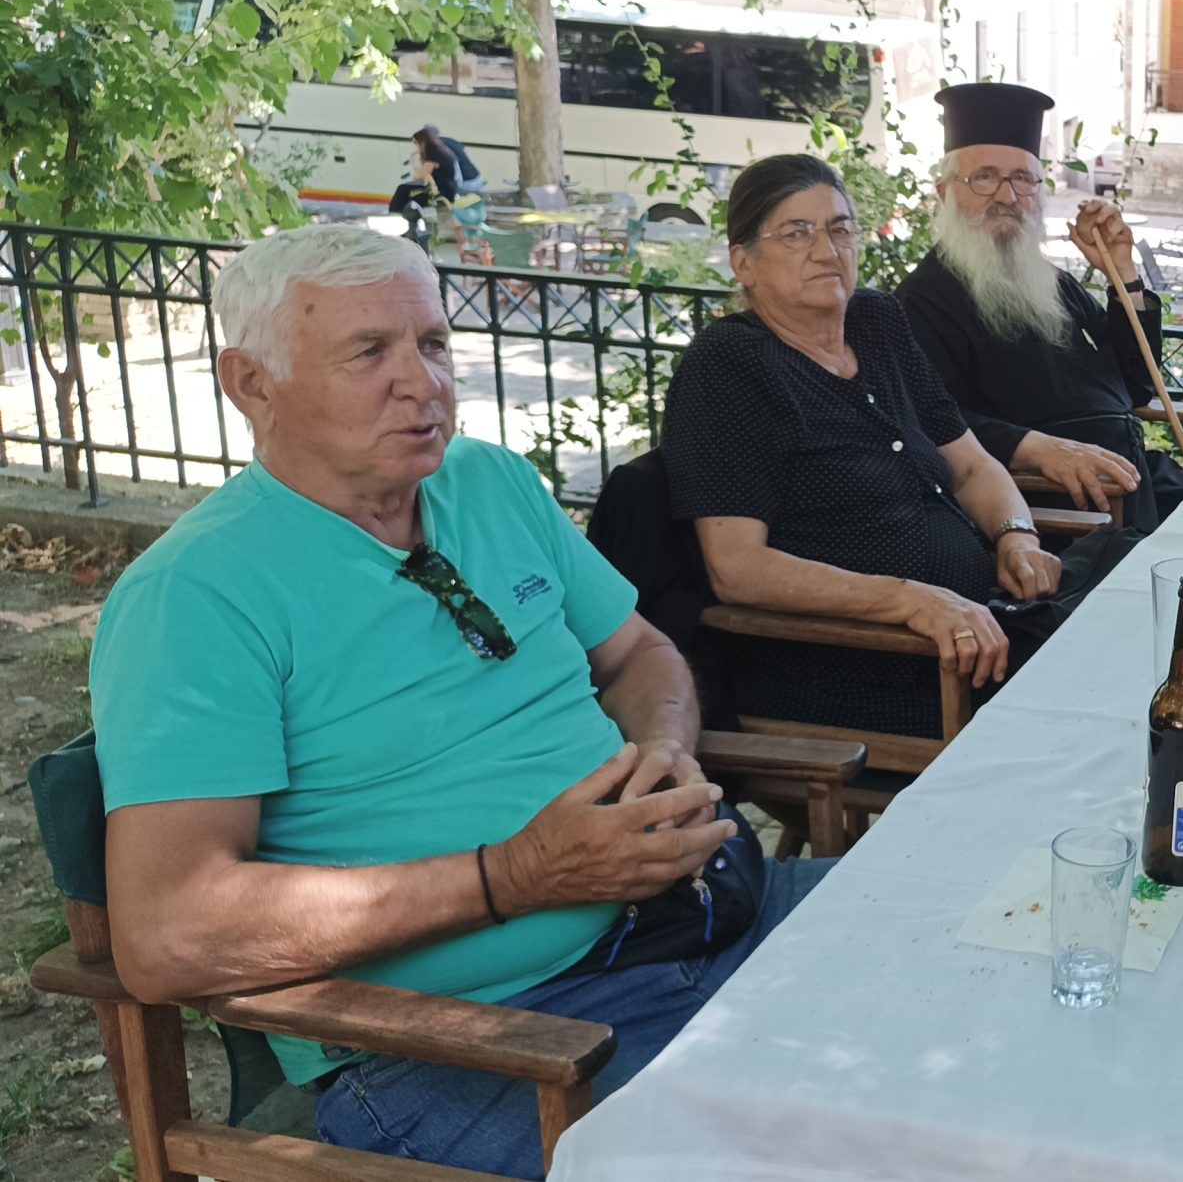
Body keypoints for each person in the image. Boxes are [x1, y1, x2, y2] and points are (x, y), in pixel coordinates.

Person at [86, 225, 828, 1179]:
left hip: (699, 912)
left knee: (978, 957)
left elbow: (640, 654)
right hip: (483, 1044)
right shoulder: (197, 596)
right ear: (250, 383)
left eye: (433, 343)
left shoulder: (490, 483)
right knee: (849, 1147)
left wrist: (665, 747)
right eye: (369, 352)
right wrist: (515, 876)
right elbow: (168, 935)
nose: (424, 383)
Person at [659, 152, 1064, 737]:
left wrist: (1016, 537)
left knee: (1139, 617)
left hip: (981, 624)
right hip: (869, 665)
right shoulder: (728, 368)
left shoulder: (875, 322)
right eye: (797, 233)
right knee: (1103, 693)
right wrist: (913, 602)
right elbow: (737, 569)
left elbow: (972, 467)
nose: (827, 251)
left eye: (840, 229)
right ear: (743, 263)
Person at [897, 81, 1183, 530]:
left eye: (1022, 179)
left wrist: (1122, 273)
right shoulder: (920, 301)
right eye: (984, 177)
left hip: (1132, 477)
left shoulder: (1050, 283)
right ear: (944, 192)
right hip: (1052, 503)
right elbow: (930, 420)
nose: (1006, 197)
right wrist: (1035, 447)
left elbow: (1138, 382)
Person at [387, 130, 459, 220]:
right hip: (444, 189)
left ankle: (394, 214)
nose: (415, 145)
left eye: (415, 143)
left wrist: (415, 158)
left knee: (403, 190)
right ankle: (397, 214)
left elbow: (419, 176)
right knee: (405, 189)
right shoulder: (440, 152)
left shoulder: (434, 156)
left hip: (442, 192)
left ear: (423, 142)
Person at [417, 124, 486, 195]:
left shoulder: (434, 146)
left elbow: (426, 172)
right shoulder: (451, 141)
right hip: (477, 179)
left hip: (465, 184)